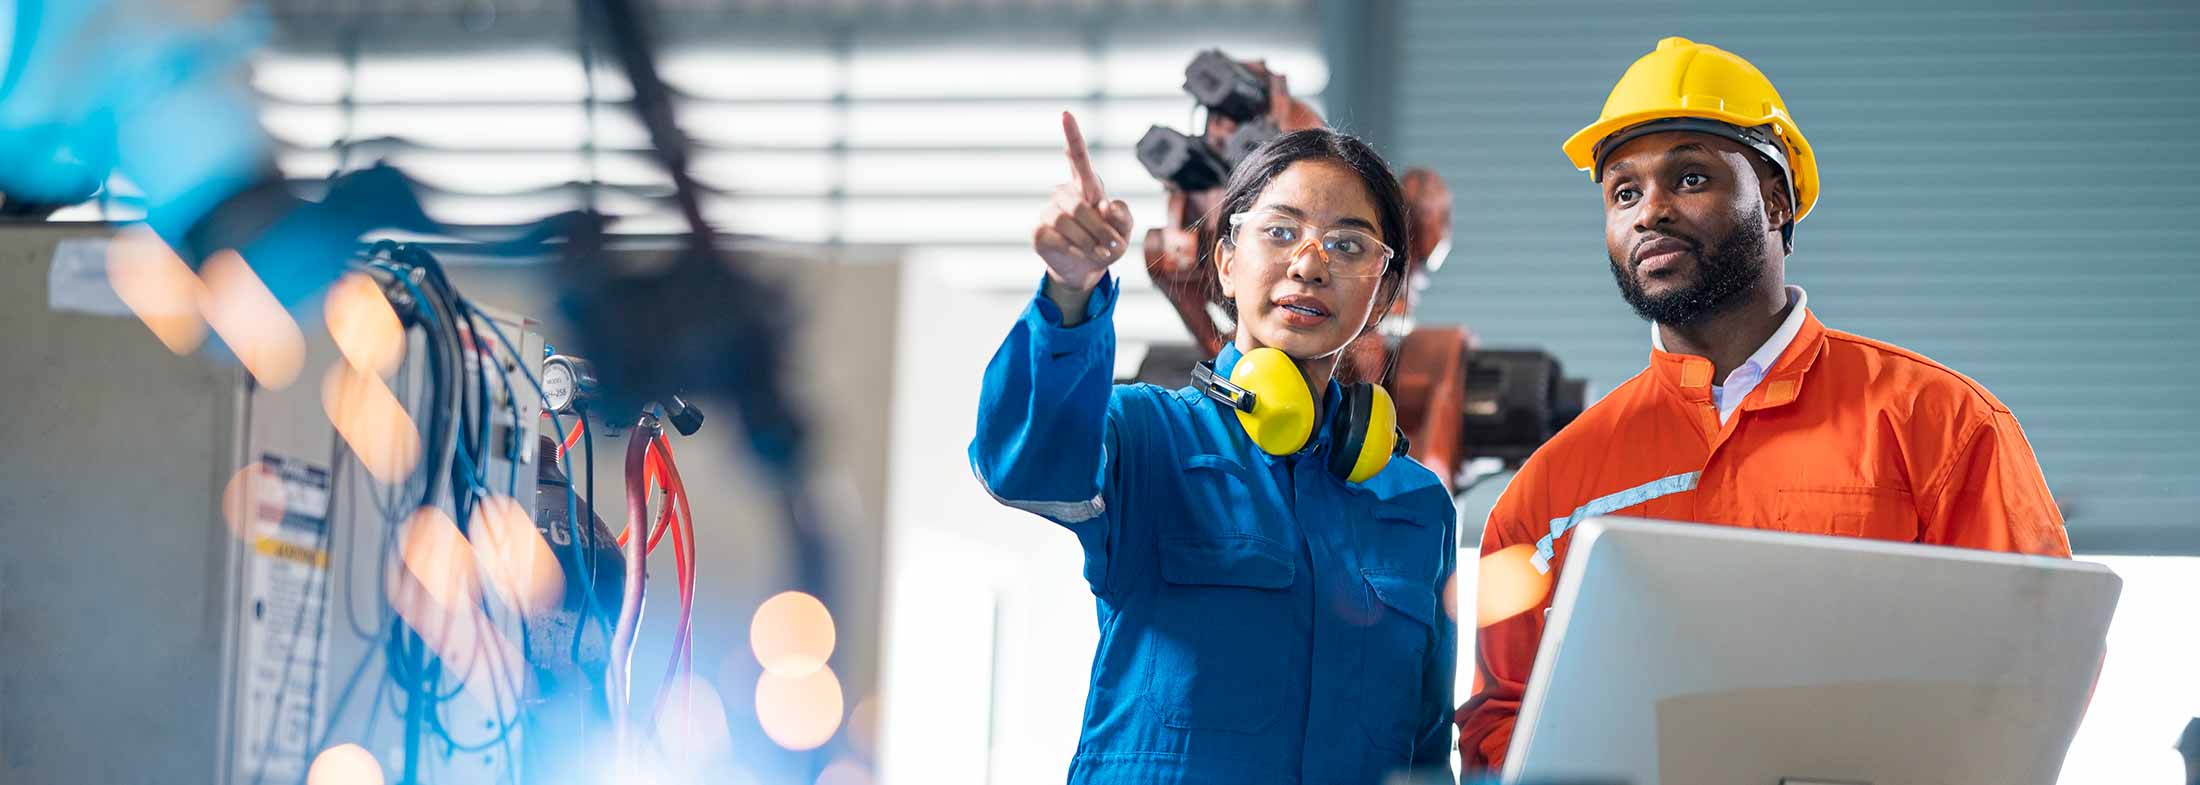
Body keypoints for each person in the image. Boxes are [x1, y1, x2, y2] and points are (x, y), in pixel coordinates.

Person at [1455, 37, 2075, 771]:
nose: (1650, 211)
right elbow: (1498, 723)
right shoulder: (1544, 491)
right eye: (1623, 192)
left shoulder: (1940, 423)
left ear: (1776, 199)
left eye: (1690, 177)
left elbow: (2038, 661)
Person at [970, 113, 1458, 783]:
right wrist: (1071, 291)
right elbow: (1023, 465)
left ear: (1382, 291)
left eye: (1348, 245)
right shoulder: (1146, 438)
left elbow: (1425, 749)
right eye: (1280, 232)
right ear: (1227, 263)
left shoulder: (1416, 505)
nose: (1310, 264)